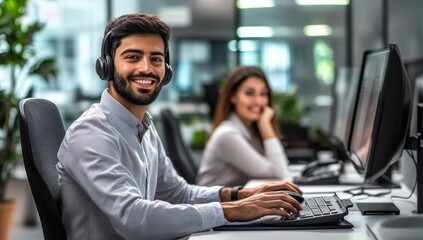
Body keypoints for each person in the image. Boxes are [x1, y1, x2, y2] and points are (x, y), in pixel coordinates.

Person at [56, 14, 303, 240]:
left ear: (167, 71)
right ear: (106, 66)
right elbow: (133, 218)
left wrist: (241, 195)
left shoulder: (144, 128)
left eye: (156, 58)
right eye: (132, 57)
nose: (146, 68)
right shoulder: (92, 133)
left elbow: (178, 194)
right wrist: (234, 210)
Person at [196, 66, 291, 186]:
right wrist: (266, 125)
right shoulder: (227, 134)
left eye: (263, 93)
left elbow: (280, 170)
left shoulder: (249, 130)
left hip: (235, 202)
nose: (258, 101)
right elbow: (278, 174)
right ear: (233, 97)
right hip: (215, 204)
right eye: (249, 93)